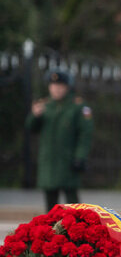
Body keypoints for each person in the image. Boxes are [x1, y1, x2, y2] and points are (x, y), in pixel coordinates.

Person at [25, 70, 94, 211]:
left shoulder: (78, 107)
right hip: (49, 162)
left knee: (73, 204)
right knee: (50, 205)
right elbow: (31, 128)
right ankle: (51, 231)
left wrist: (80, 157)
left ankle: (76, 231)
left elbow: (85, 134)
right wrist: (35, 116)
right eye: (53, 85)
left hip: (68, 161)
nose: (56, 89)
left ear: (67, 87)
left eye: (60, 86)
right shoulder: (45, 105)